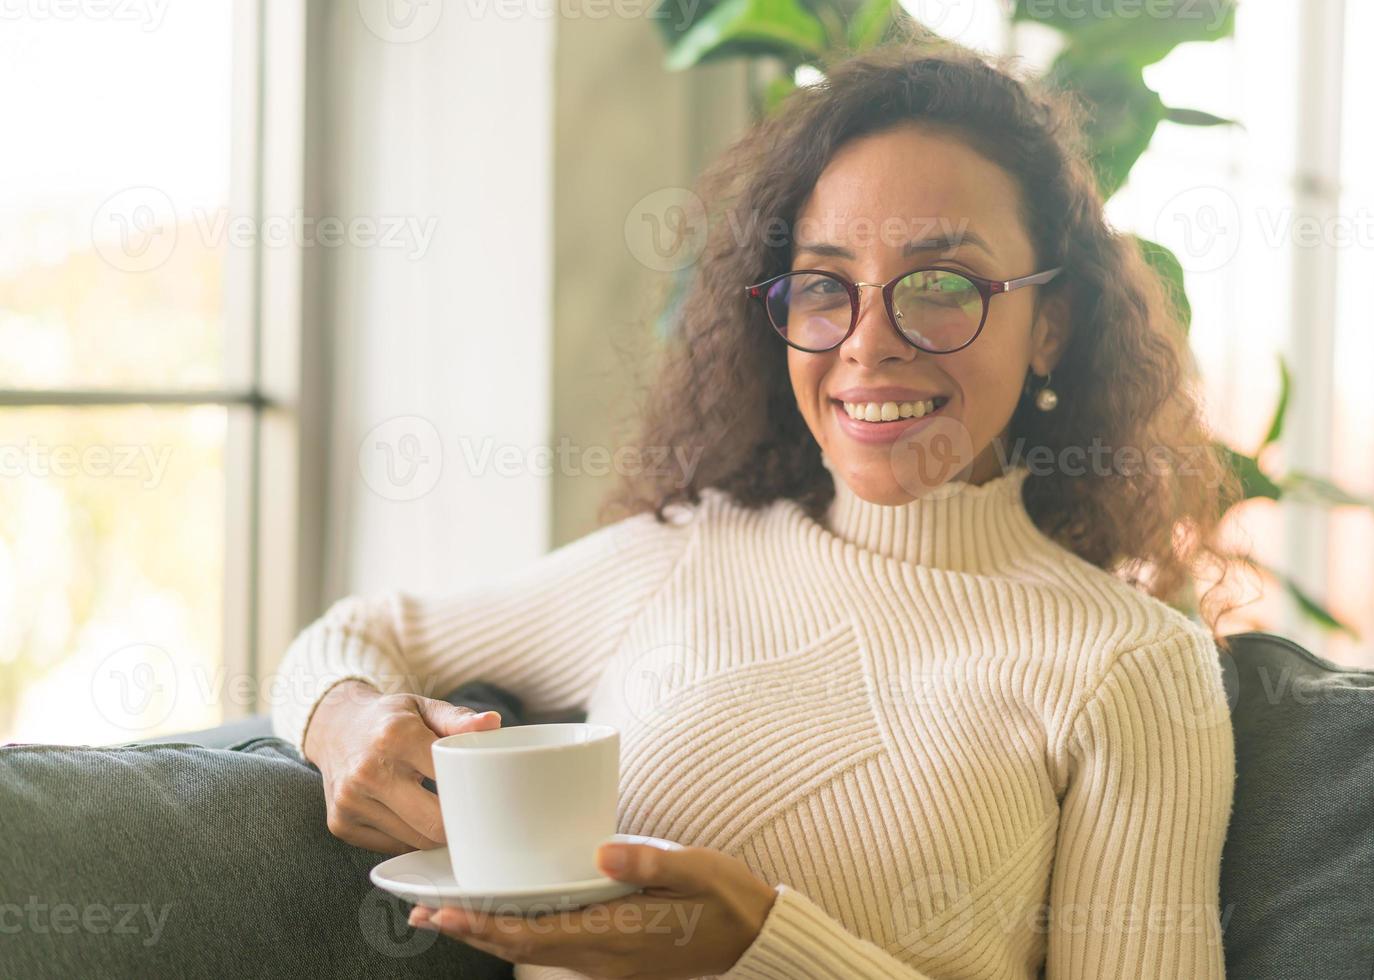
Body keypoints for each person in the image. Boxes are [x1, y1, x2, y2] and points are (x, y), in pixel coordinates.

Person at [279, 40, 1240, 980]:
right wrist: (345, 723)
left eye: (943, 285)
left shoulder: (1132, 668)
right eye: (825, 287)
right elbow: (360, 633)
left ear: (1052, 325)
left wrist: (759, 949)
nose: (868, 345)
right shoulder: (681, 555)